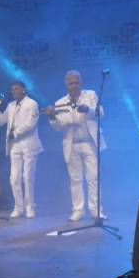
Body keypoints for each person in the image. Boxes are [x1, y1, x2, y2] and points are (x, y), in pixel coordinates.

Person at [45, 70, 106, 221]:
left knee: (93, 178)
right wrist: (52, 117)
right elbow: (58, 127)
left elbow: (102, 112)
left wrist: (88, 110)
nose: (73, 86)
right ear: (66, 85)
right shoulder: (60, 103)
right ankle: (78, 210)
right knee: (75, 179)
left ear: (81, 83)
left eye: (76, 83)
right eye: (70, 83)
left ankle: (95, 210)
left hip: (90, 143)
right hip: (71, 145)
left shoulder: (90, 95)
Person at [0, 81, 43, 218]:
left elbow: (30, 124)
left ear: (23, 90)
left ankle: (30, 207)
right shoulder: (10, 106)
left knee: (28, 177)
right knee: (14, 177)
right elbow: (1, 121)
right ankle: (18, 207)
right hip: (14, 145)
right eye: (12, 89)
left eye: (16, 89)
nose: (14, 91)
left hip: (28, 143)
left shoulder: (32, 104)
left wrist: (15, 132)